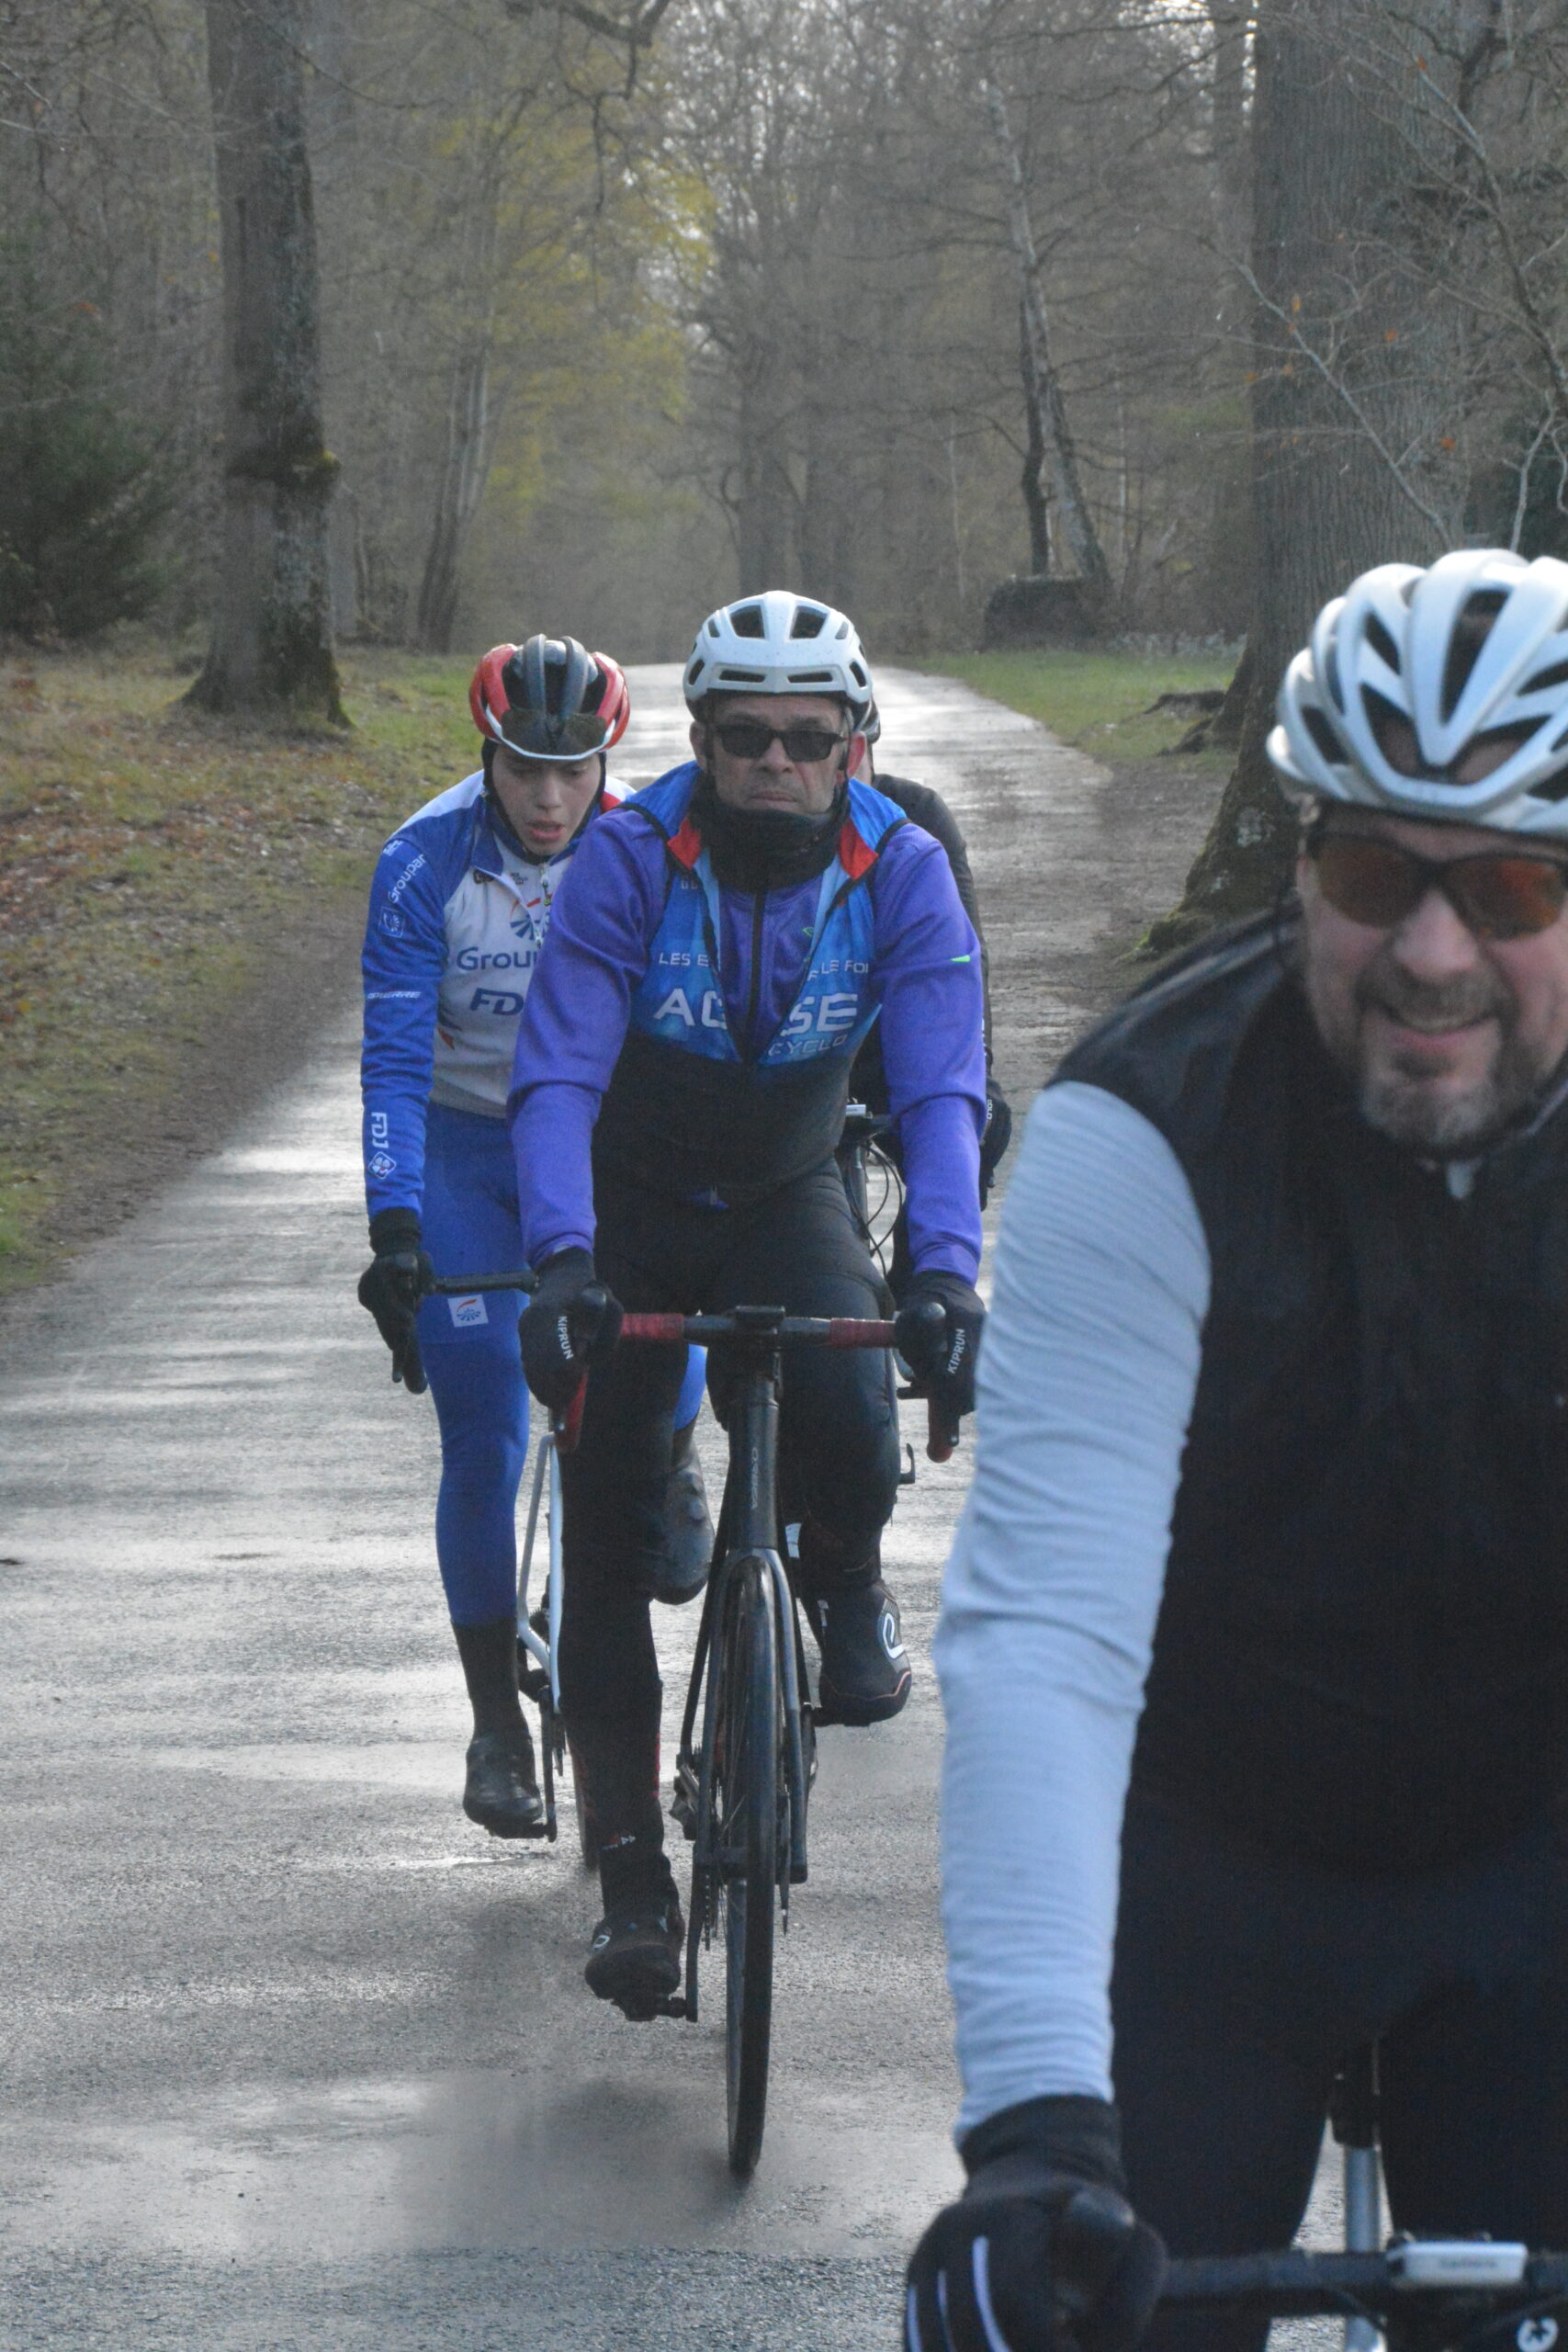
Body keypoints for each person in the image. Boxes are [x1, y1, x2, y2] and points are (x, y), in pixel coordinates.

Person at [907, 548, 1568, 2352]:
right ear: (1297, 866)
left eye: (1508, 885)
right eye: (1369, 874)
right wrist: (1032, 2131)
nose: (1430, 951)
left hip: (1533, 1847)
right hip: (1209, 1857)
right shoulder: (1146, 1129)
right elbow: (1046, 1638)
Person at [509, 589, 988, 2018]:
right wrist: (559, 1261)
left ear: (852, 743)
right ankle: (629, 1878)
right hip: (632, 1203)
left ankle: (839, 1575)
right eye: (744, 737)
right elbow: (557, 1075)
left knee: (847, 1407)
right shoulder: (625, 858)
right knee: (605, 1526)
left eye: (806, 737)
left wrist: (945, 1273)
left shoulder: (900, 868)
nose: (775, 761)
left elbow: (942, 1089)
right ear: (701, 741)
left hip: (786, 1191)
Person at [356, 636, 710, 1844]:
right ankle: (494, 1725)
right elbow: (392, 1063)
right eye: (523, 770)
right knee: (486, 1432)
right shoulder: (422, 862)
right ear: (486, 757)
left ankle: (672, 1454)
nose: (549, 798)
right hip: (467, 1150)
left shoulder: (649, 847)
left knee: (664, 1313)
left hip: (599, 1138)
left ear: (607, 762)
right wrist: (396, 1230)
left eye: (573, 770)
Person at [851, 704, 1013, 1281]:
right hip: (802, 1051)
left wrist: (977, 1062)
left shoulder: (914, 816)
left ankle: (925, 1290)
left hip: (899, 1042)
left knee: (980, 1118)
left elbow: (965, 960)